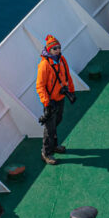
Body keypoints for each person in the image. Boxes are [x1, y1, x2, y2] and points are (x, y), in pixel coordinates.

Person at [36, 34, 75, 165]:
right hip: (50, 102)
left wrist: (71, 91)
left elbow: (67, 76)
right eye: (54, 48)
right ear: (49, 50)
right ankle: (46, 153)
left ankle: (54, 146)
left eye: (59, 47)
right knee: (49, 128)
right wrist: (47, 102)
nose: (58, 50)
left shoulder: (62, 60)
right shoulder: (44, 65)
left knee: (58, 120)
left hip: (60, 97)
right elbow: (40, 86)